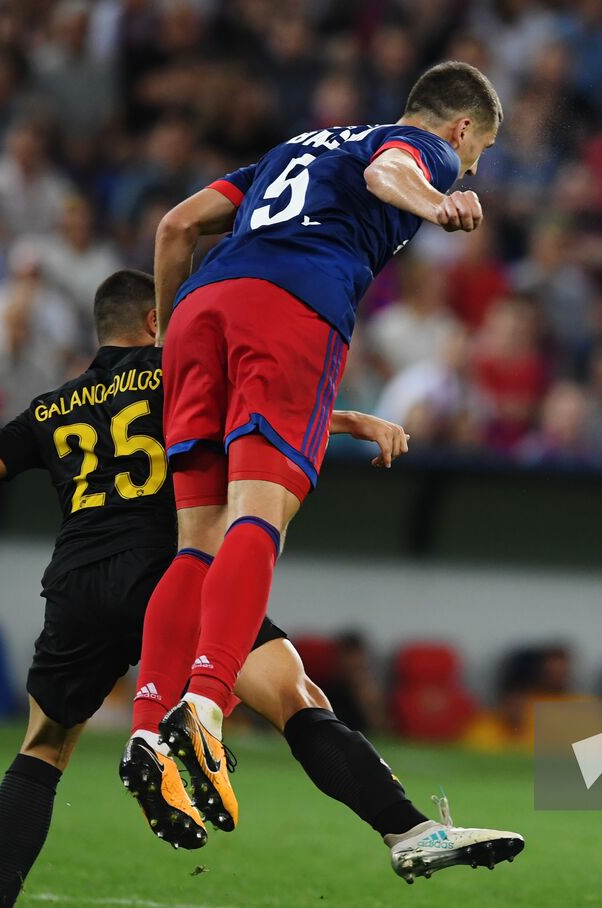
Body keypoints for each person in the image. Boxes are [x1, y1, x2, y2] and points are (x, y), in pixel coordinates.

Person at [0, 271, 416, 905]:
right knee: (293, 695)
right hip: (172, 573)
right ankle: (408, 829)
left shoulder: (51, 407)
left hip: (78, 582)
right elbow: (267, 416)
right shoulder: (180, 374)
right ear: (154, 322)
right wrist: (356, 421)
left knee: (43, 749)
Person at [132, 60, 522, 884]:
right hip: (294, 308)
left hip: (203, 308)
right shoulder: (417, 149)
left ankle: (149, 722)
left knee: (196, 538)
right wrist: (437, 201)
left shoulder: (291, 149)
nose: (472, 165)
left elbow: (175, 228)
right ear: (458, 130)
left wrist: (172, 330)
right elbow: (392, 170)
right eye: (477, 151)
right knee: (258, 517)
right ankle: (205, 704)